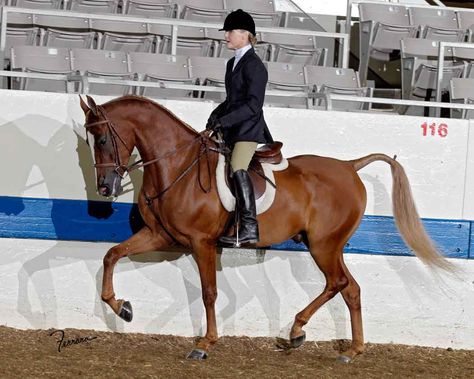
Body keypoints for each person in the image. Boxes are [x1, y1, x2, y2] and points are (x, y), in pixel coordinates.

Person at [206, 9, 274, 247]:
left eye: (230, 32)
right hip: (232, 127)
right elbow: (232, 100)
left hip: (248, 130)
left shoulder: (256, 66)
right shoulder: (231, 63)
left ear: (245, 35)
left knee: (237, 167)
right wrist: (215, 117)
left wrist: (225, 121)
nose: (226, 37)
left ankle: (249, 227)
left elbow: (253, 106)